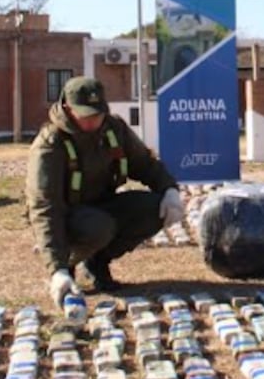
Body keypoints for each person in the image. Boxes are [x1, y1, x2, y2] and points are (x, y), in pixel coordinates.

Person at [26, 75, 185, 309]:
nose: (93, 121)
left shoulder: (114, 128)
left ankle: (97, 262)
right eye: (86, 115)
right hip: (69, 216)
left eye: (98, 114)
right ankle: (69, 264)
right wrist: (56, 269)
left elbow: (144, 164)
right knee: (99, 226)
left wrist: (169, 189)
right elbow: (45, 208)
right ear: (68, 109)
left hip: (102, 206)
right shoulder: (50, 144)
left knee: (154, 208)